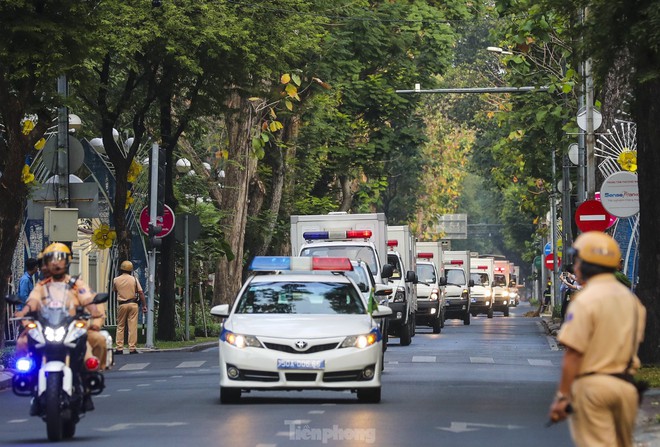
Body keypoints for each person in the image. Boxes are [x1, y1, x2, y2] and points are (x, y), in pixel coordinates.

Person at [548, 232, 646, 447]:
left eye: (578, 262)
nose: (575, 268)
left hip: (594, 389)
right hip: (627, 388)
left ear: (586, 265)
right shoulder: (631, 301)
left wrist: (563, 397)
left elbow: (573, 353)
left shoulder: (585, 301)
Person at [14, 242, 103, 412]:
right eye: (51, 260)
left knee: (91, 345)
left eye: (59, 259)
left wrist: (93, 311)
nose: (55, 263)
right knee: (22, 343)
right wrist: (23, 312)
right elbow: (32, 301)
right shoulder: (42, 286)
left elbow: (87, 300)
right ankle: (28, 379)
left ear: (67, 262)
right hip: (47, 327)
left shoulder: (76, 284)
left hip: (70, 328)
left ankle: (87, 387)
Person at [113, 260, 146, 354]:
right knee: (132, 326)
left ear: (121, 269)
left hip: (122, 305)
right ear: (131, 270)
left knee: (120, 326)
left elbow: (115, 291)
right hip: (133, 304)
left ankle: (119, 348)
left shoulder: (116, 280)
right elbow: (140, 292)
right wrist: (144, 305)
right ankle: (132, 348)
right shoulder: (134, 279)